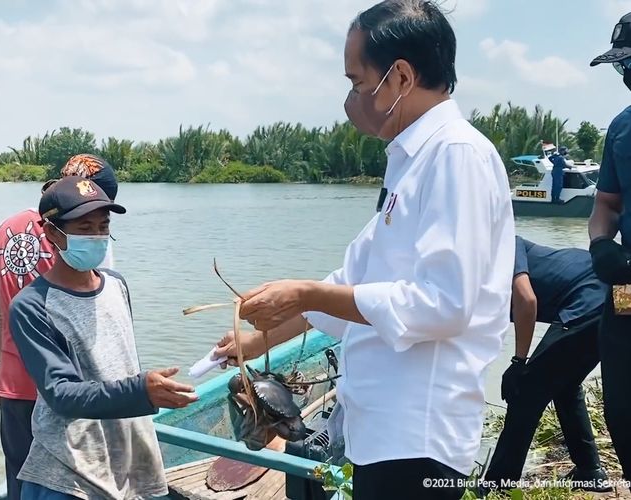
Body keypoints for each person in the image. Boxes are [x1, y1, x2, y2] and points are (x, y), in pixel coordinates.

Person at [213, 1, 515, 498]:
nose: (350, 98)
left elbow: (444, 304)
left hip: (418, 434)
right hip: (383, 430)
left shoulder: (456, 156)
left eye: (357, 82)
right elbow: (347, 285)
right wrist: (259, 340)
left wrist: (306, 293)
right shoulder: (410, 164)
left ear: (398, 78)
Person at [8, 176, 198, 499]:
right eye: (84, 228)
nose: (97, 236)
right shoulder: (31, 306)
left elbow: (120, 362)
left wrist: (143, 392)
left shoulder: (117, 285)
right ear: (52, 232)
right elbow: (61, 393)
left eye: (103, 226)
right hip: (69, 471)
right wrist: (141, 391)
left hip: (127, 457)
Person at [0, 154, 119, 500]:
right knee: (74, 485)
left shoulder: (5, 228)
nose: (97, 223)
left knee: (20, 481)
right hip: (72, 387)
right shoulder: (88, 239)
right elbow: (101, 314)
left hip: (15, 383)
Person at [482, 236, 610, 493]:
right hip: (608, 303)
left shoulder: (506, 245)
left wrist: (519, 362)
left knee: (526, 391)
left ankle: (498, 485)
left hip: (589, 302)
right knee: (565, 385)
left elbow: (526, 300)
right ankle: (590, 471)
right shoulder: (492, 259)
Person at [588, 10, 631, 486]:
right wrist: (601, 243)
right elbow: (605, 203)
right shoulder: (621, 128)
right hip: (627, 290)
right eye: (623, 69)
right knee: (622, 407)